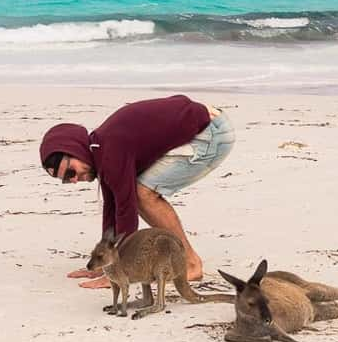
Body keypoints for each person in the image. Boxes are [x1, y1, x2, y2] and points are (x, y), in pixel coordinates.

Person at [39, 95, 235, 288]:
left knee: (142, 193)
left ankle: (189, 265)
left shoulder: (109, 153)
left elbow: (126, 212)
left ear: (77, 150)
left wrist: (119, 272)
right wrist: (105, 264)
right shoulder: (100, 149)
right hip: (204, 123)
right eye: (66, 180)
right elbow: (111, 208)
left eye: (71, 172)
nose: (73, 180)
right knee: (136, 192)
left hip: (212, 133)